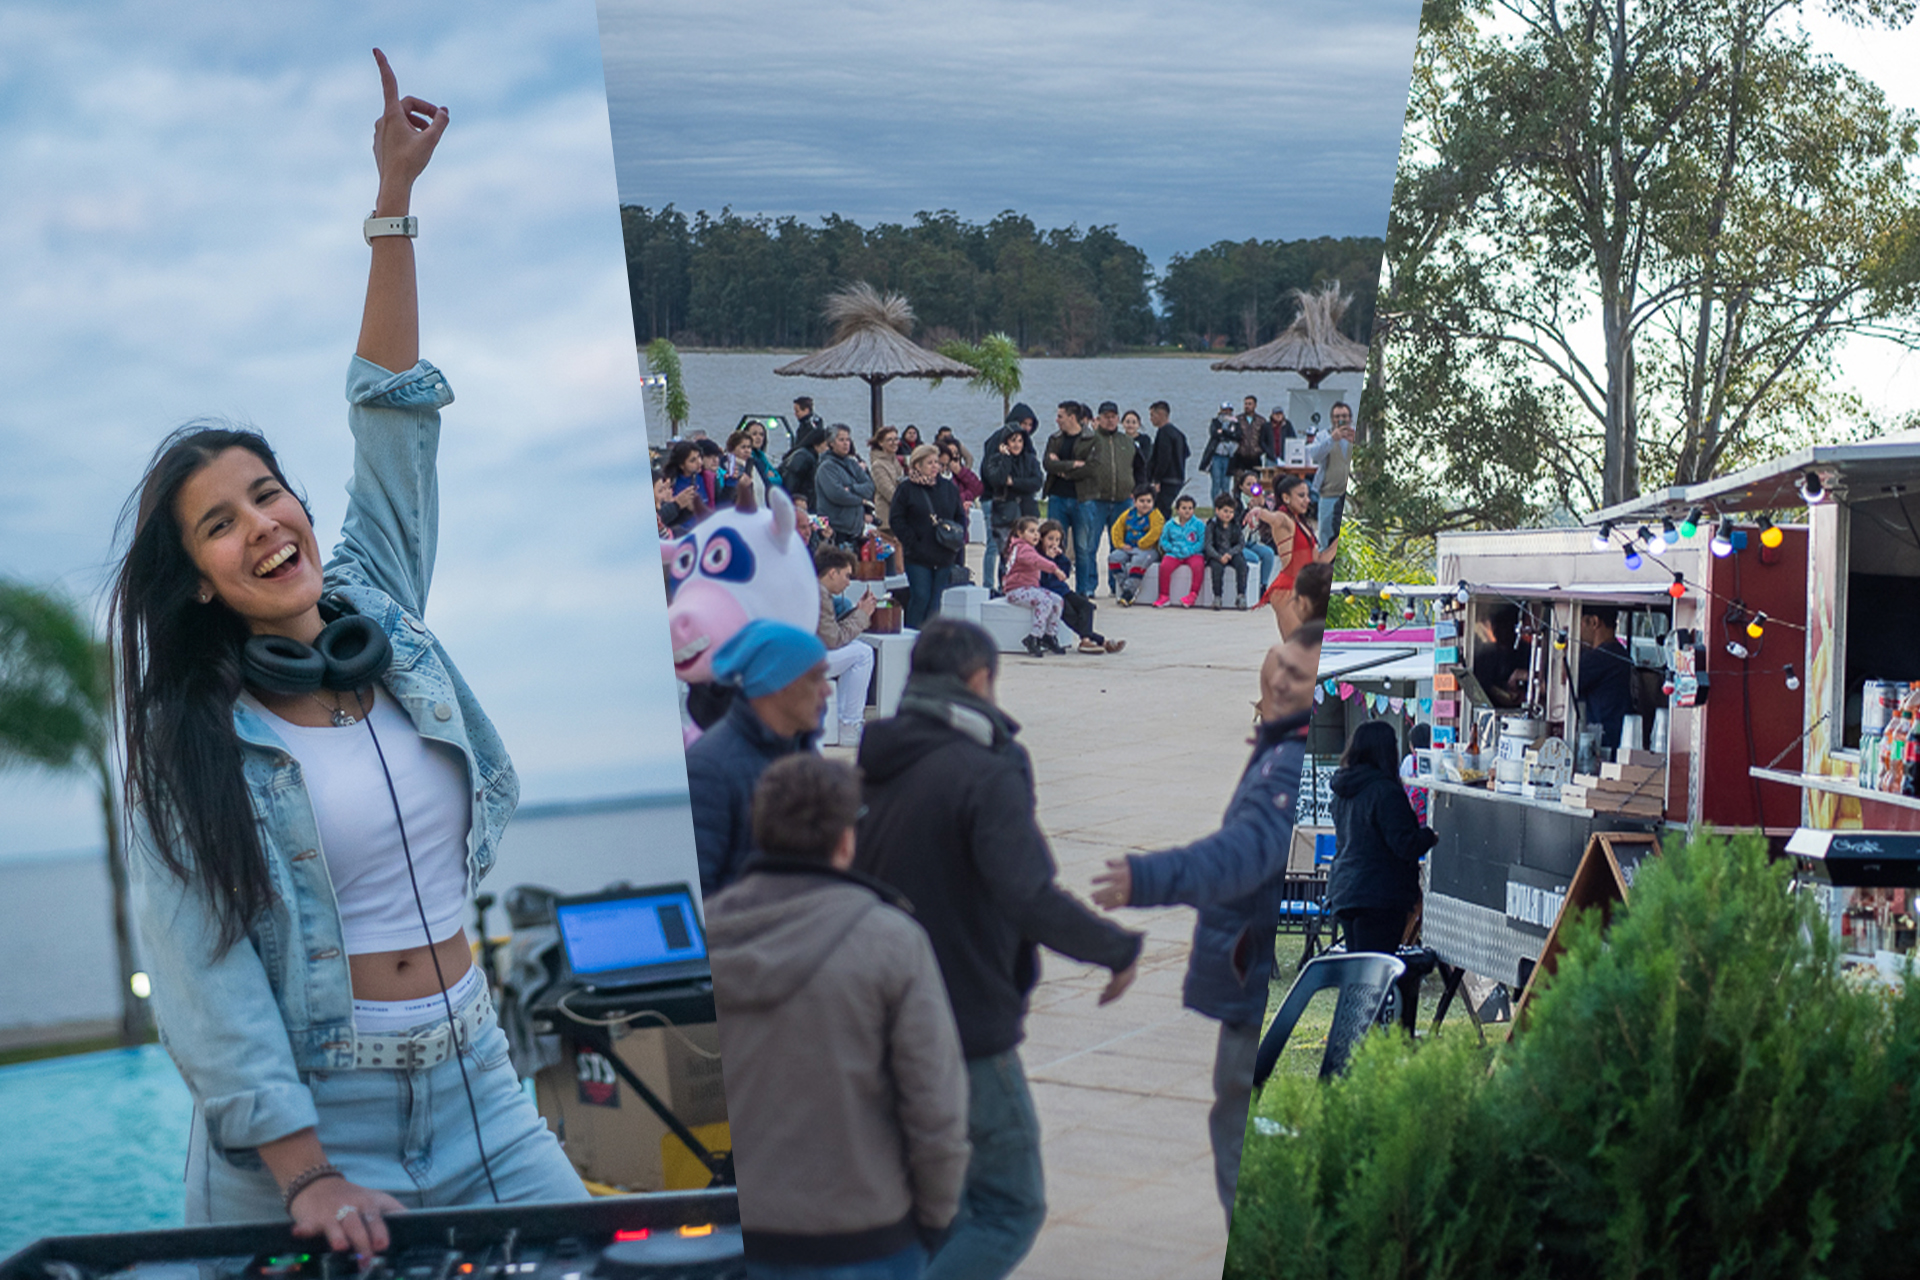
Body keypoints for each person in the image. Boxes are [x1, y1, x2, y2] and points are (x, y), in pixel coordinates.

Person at [121, 51, 585, 1244]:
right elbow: (206, 981)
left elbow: (394, 411)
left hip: (483, 1074)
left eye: (268, 495)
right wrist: (305, 1170)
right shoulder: (190, 745)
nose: (263, 525)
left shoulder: (386, 615)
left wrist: (392, 207)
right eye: (220, 525)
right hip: (322, 1123)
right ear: (201, 584)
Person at [856, 619, 1143, 1280]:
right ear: (982, 680)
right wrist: (1116, 948)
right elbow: (1029, 895)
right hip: (963, 1020)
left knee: (940, 1204)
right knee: (1010, 1206)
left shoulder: (874, 768)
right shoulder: (982, 771)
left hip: (877, 1016)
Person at [1090, 623, 1325, 1223]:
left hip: (1253, 984)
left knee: (1238, 1128)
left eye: (1295, 677)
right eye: (1277, 663)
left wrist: (1149, 878)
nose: (1276, 680)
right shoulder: (1279, 744)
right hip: (1249, 972)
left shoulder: (1285, 768)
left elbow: (1240, 854)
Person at [708, 754, 970, 1280]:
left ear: (761, 830)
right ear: (846, 839)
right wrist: (937, 1219)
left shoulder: (707, 929)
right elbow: (936, 1108)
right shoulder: (891, 941)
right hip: (866, 1238)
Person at [685, 620, 830, 895]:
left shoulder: (803, 752)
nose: (828, 689)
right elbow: (700, 893)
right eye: (815, 677)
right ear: (777, 683)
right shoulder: (708, 769)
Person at [1327, 720, 1438, 962]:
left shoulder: (1344, 790)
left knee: (1357, 970)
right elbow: (1404, 844)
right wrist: (1429, 836)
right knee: (1374, 973)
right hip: (1379, 894)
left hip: (1345, 888)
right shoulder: (1386, 791)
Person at [893, 444, 966, 629]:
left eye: (937, 462)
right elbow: (897, 519)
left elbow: (959, 516)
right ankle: (911, 635)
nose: (935, 466)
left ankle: (929, 639)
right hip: (917, 555)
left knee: (935, 599)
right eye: (930, 463)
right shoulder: (906, 489)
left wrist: (958, 539)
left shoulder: (948, 488)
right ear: (917, 465)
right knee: (921, 595)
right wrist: (912, 542)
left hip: (944, 553)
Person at [1071, 400, 1137, 597]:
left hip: (1123, 500)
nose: (1110, 420)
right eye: (1106, 417)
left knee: (1119, 545)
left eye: (1113, 416)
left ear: (1118, 418)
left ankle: (1115, 585)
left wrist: (1137, 489)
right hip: (1094, 500)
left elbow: (1139, 467)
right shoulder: (1089, 440)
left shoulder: (1127, 441)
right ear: (1097, 419)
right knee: (1090, 545)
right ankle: (1089, 586)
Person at [816, 545, 878, 746]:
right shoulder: (819, 594)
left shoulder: (811, 587)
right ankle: (849, 726)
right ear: (833, 573)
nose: (848, 583)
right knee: (864, 653)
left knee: (859, 650)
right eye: (847, 576)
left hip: (793, 653)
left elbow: (830, 633)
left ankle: (844, 723)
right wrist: (862, 615)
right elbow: (833, 640)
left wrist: (856, 613)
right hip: (803, 661)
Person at [1253, 473, 1327, 638]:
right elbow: (1273, 517)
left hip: (1301, 589)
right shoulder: (1284, 519)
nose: (1307, 500)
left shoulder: (1302, 524)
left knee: (1306, 650)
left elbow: (1319, 561)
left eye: (1307, 495)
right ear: (1286, 498)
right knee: (1298, 648)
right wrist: (1259, 511)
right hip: (1286, 591)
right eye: (1301, 496)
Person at [1038, 521, 1124, 654]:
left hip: (1063, 590)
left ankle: (1088, 640)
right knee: (1070, 614)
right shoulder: (1038, 557)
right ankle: (1099, 641)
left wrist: (1060, 558)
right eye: (1050, 539)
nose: (1053, 543)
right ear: (1041, 538)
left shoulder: (1058, 556)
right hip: (1050, 592)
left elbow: (1064, 575)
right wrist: (1049, 561)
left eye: (1057, 539)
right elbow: (1044, 580)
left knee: (1087, 606)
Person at [979, 427, 1042, 594]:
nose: (1017, 444)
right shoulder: (995, 459)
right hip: (1005, 513)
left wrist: (1014, 482)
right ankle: (1003, 588)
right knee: (1006, 555)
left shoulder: (1030, 460)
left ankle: (1029, 586)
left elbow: (1036, 482)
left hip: (1027, 511)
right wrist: (1005, 458)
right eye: (1013, 440)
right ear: (1005, 442)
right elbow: (997, 480)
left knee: (1029, 553)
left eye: (1020, 440)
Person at [999, 517, 1068, 658]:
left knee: (1057, 600)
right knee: (1045, 602)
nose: (1036, 534)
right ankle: (1034, 637)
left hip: (1029, 588)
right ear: (1020, 533)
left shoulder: (1028, 547)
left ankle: (1050, 635)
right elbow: (1036, 561)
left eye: (1037, 531)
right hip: (1015, 590)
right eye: (1031, 531)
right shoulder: (1022, 548)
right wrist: (1055, 569)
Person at [1577, 604, 1635, 750]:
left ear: (1594, 622)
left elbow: (1562, 684)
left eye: (1580, 622)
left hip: (1604, 741)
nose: (1577, 630)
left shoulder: (1602, 657)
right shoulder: (1619, 653)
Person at [815, 425, 876, 548]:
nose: (846, 444)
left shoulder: (852, 464)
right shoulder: (826, 467)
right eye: (841, 440)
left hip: (855, 530)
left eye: (848, 440)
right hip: (835, 530)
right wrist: (860, 500)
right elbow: (837, 494)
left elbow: (870, 487)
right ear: (831, 443)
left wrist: (852, 489)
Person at [1040, 402, 1087, 563]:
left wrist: (1060, 467)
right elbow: (1047, 464)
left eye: (1060, 416)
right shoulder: (1055, 439)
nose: (1057, 420)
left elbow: (1091, 469)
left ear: (1072, 417)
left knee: (1082, 547)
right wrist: (1073, 464)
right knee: (1052, 544)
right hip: (1057, 496)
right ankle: (1053, 582)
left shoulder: (1090, 439)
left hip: (1081, 498)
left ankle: (1084, 588)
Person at [1307, 401, 1355, 552]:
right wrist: (1332, 439)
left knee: (1349, 539)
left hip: (1350, 496)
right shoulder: (1323, 436)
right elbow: (1314, 455)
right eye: (1337, 416)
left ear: (1350, 418)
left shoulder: (1356, 435)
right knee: (1326, 537)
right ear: (1331, 418)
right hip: (1329, 493)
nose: (1340, 419)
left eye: (1344, 416)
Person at [1106, 486, 1163, 603]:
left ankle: (1129, 592)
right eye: (1141, 501)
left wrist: (1142, 543)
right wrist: (1120, 544)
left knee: (1138, 561)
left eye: (1148, 501)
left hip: (1149, 549)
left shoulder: (1156, 515)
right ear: (1134, 501)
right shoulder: (1128, 514)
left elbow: (1156, 532)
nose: (1145, 504)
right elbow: (1116, 529)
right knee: (1114, 558)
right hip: (1128, 548)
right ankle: (1126, 588)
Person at [1151, 494, 1207, 608]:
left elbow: (1202, 541)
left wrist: (1191, 550)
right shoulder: (1170, 524)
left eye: (1190, 508)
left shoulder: (1198, 524)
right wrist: (1172, 549)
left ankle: (1193, 595)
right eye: (1184, 508)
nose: (1187, 511)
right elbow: (1163, 540)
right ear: (1177, 510)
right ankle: (1164, 595)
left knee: (1198, 566)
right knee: (1165, 566)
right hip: (1174, 553)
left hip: (1193, 553)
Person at [1473, 604, 1528, 708]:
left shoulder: (1527, 653)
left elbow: (1546, 687)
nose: (1498, 631)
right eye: (1495, 626)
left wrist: (1525, 676)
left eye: (1504, 626)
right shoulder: (1485, 657)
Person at [1203, 495, 1249, 609]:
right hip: (1217, 554)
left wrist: (1230, 553)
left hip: (1231, 553)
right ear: (1217, 510)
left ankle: (1241, 595)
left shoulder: (1235, 525)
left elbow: (1240, 543)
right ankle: (1217, 596)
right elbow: (1208, 545)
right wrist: (1218, 557)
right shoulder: (1212, 525)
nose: (1228, 514)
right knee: (1217, 568)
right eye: (1225, 511)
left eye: (1231, 512)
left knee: (1242, 565)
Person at [1145, 401, 1189, 518]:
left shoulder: (1164, 432)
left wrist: (1156, 479)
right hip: (1178, 477)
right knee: (1165, 508)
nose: (1151, 419)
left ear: (1160, 414)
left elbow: (1163, 458)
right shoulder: (1179, 434)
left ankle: (1163, 534)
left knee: (1161, 511)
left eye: (1152, 415)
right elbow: (1187, 453)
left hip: (1166, 479)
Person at [1237, 475, 1277, 598]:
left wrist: (1263, 507)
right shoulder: (1237, 503)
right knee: (1253, 558)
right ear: (1241, 486)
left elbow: (1269, 524)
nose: (1252, 488)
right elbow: (1237, 525)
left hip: (1253, 540)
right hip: (1239, 541)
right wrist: (1247, 510)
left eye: (1255, 484)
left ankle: (1263, 587)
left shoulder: (1263, 500)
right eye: (1248, 484)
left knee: (1268, 553)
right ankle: (1249, 590)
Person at [781, 421, 830, 509]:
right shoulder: (804, 458)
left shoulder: (810, 457)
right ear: (817, 444)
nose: (828, 449)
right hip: (801, 505)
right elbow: (791, 482)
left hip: (807, 504)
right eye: (826, 445)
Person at [1201, 401, 1240, 505]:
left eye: (1229, 410)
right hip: (1216, 457)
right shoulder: (1215, 421)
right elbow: (1214, 433)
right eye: (1224, 410)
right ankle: (1215, 507)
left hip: (1229, 457)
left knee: (1226, 484)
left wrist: (1223, 432)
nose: (1226, 412)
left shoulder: (1235, 423)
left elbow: (1237, 436)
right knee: (1216, 483)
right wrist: (1227, 434)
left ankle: (1226, 506)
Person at [667, 438, 717, 514]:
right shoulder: (671, 484)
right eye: (692, 460)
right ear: (681, 465)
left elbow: (721, 502)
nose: (699, 462)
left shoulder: (708, 478)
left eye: (699, 457)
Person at [1400, 722, 1433, 826]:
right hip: (1432, 814)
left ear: (1412, 745)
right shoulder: (1436, 760)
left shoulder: (1409, 760)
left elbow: (1402, 785)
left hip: (1414, 817)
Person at [726, 428, 767, 507]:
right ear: (733, 448)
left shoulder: (755, 465)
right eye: (743, 447)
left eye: (749, 447)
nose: (747, 450)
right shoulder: (729, 465)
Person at [1119, 409, 1150, 489]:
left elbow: (1146, 458)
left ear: (1139, 424)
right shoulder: (1119, 439)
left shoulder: (1145, 439)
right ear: (1122, 423)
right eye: (1128, 422)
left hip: (1140, 477)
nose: (1130, 425)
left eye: (1134, 422)